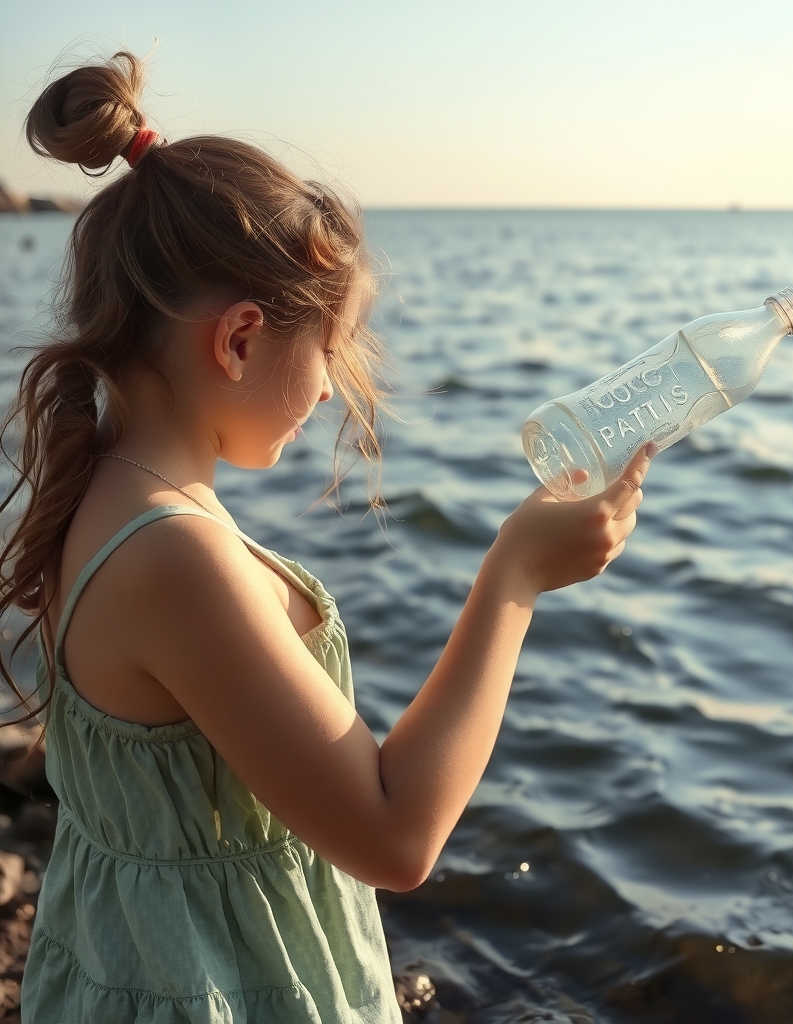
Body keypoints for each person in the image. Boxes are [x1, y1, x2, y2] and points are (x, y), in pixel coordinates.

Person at [0, 51, 652, 1024]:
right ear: (240, 339)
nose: (331, 391)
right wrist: (513, 577)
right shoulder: (175, 553)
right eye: (330, 351)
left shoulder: (102, 488)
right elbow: (395, 836)